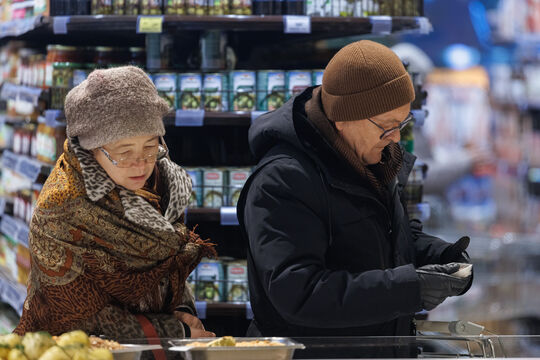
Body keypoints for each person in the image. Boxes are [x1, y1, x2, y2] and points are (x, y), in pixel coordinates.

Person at [237, 40, 473, 340]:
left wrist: (440, 256)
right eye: (386, 126)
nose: (395, 137)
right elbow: (299, 294)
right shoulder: (282, 180)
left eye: (402, 123)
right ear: (343, 118)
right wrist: (409, 288)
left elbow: (384, 240)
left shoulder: (372, 160)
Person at [14, 66, 216, 345]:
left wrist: (182, 310)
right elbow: (76, 314)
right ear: (90, 149)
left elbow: (169, 264)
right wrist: (172, 330)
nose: (141, 163)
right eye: (125, 153)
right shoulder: (61, 208)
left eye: (149, 146)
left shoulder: (163, 180)